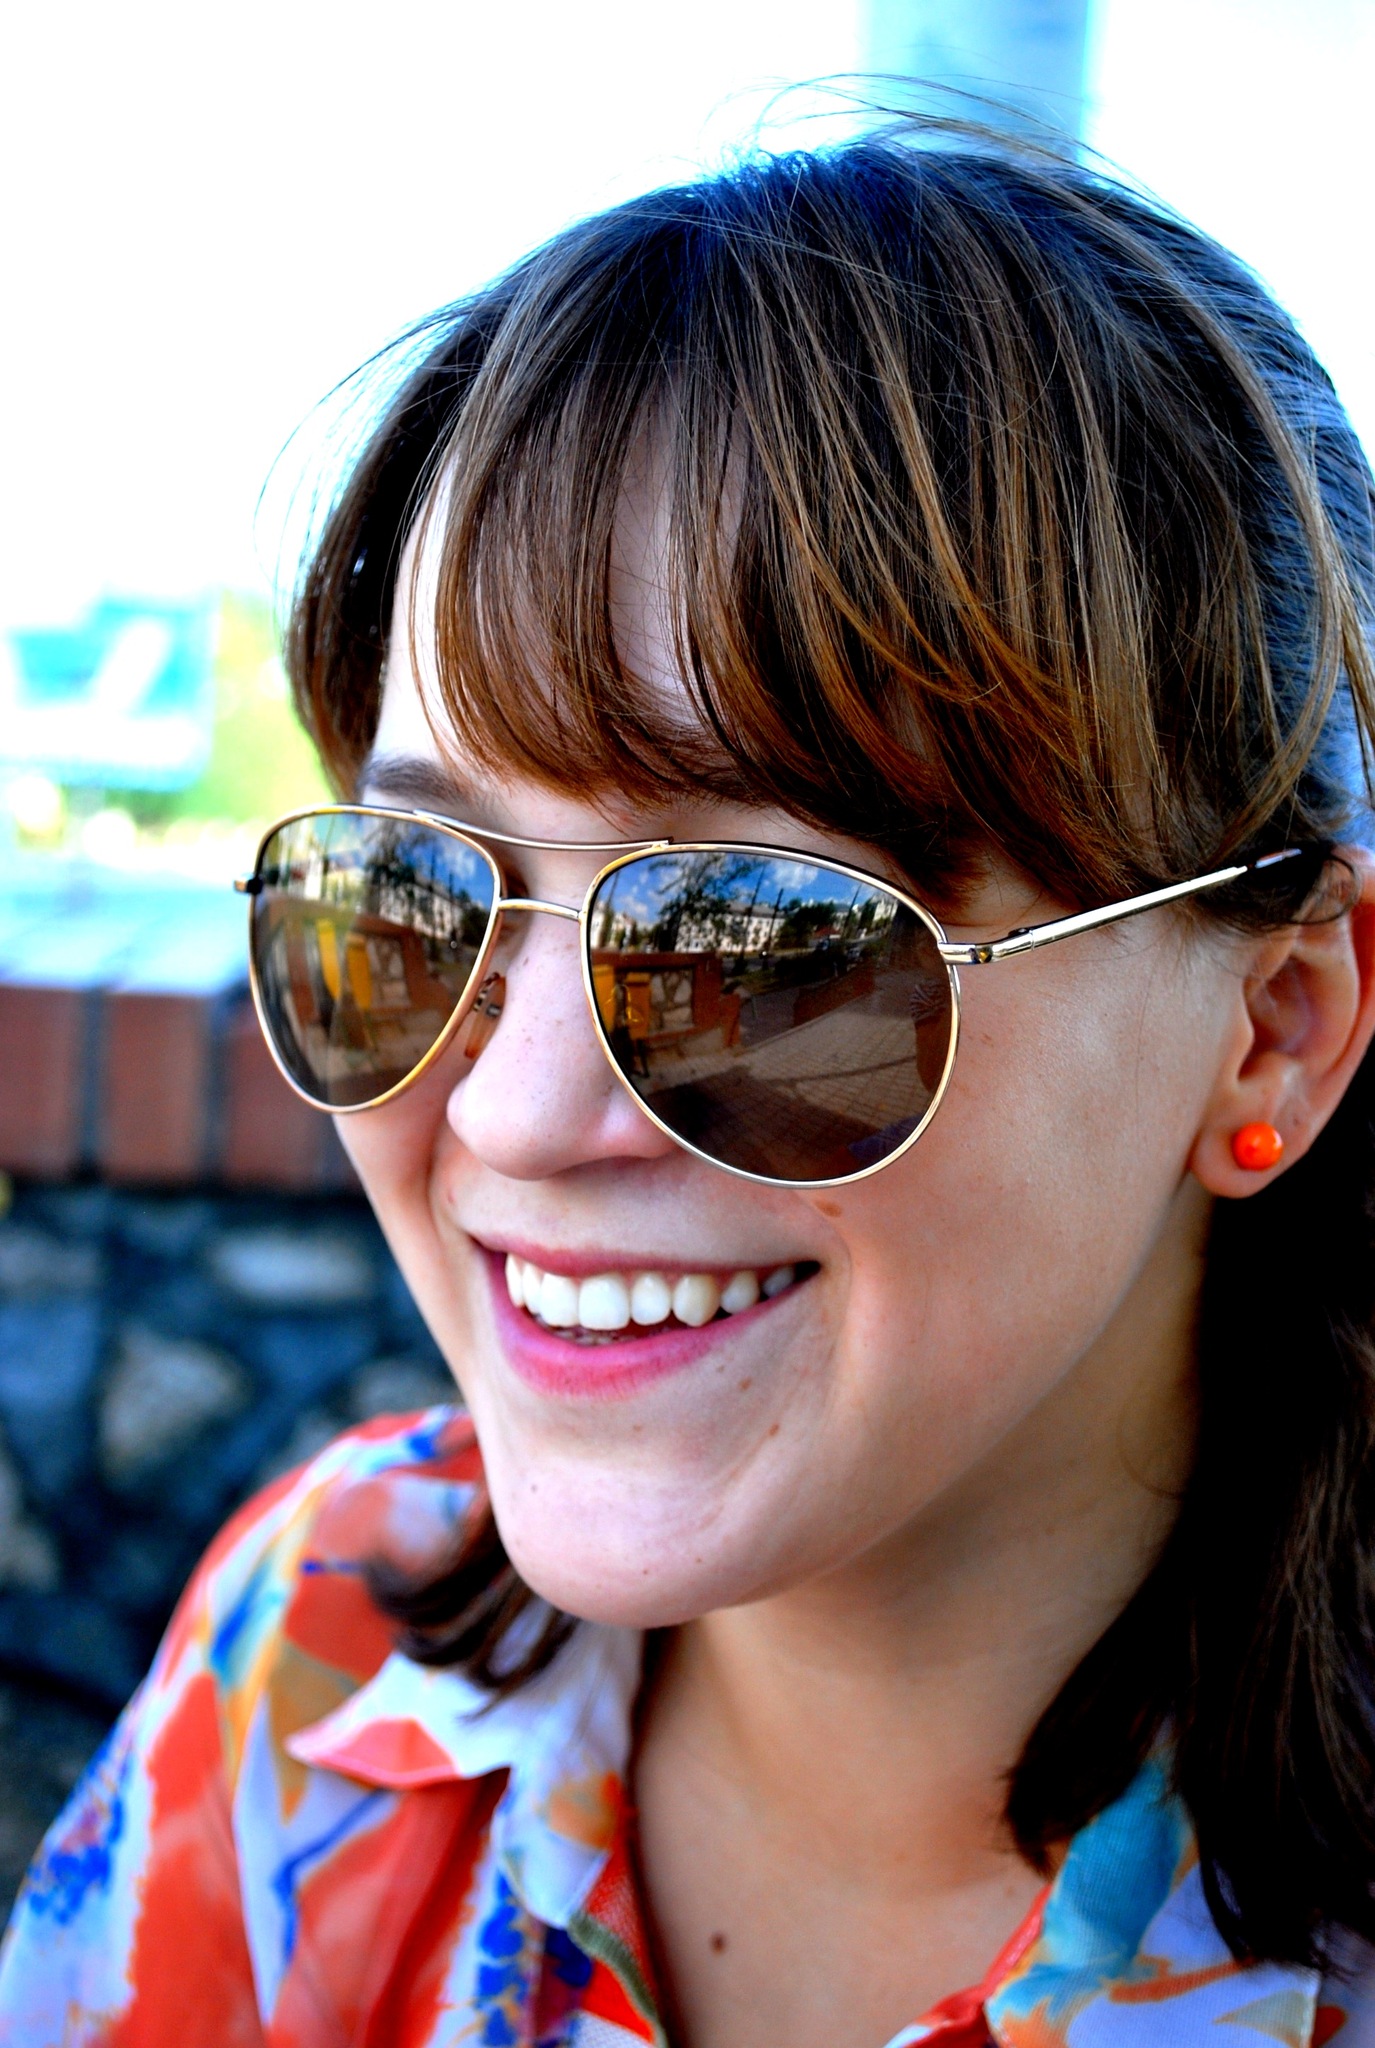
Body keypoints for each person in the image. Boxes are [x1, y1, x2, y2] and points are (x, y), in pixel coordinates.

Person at [4, 116, 1375, 2048]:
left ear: (1278, 1021)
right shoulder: (311, 1650)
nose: (507, 1112)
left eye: (766, 938)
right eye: (416, 888)